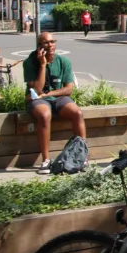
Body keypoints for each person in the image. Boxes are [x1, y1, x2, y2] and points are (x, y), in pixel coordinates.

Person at [24, 32, 86, 174]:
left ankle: (81, 156)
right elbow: (37, 90)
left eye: (52, 42)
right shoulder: (30, 62)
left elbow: (68, 90)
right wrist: (42, 65)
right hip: (37, 100)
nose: (50, 45)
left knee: (77, 112)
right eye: (46, 42)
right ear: (39, 46)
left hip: (58, 97)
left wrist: (49, 93)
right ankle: (46, 161)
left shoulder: (64, 62)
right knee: (45, 115)